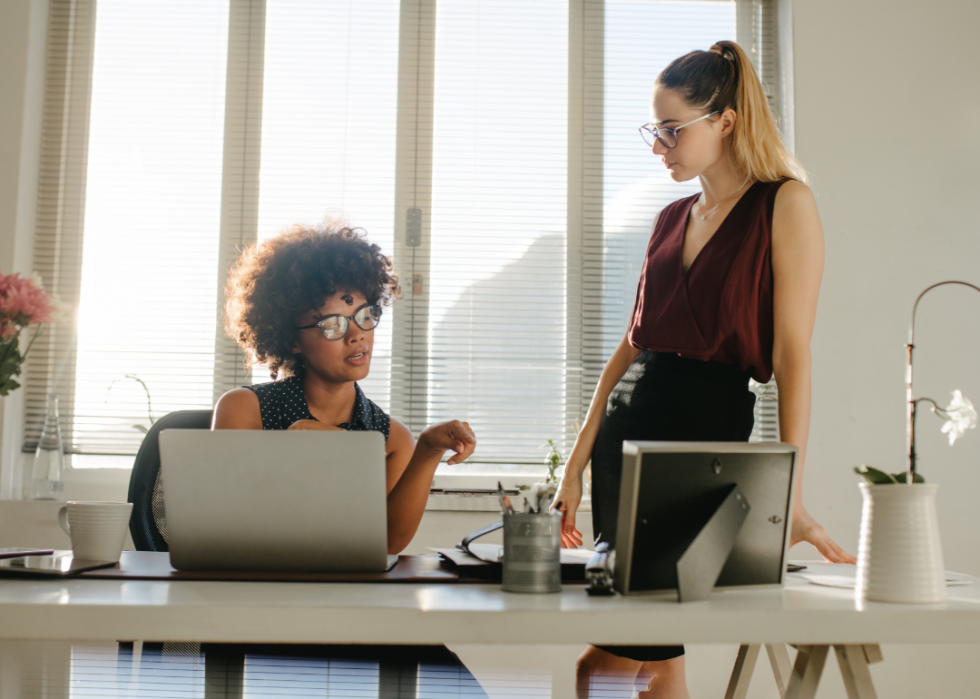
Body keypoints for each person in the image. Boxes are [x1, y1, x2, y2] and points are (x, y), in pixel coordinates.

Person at [551, 40, 856, 699]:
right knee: (658, 666)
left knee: (601, 667)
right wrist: (575, 465)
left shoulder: (785, 204)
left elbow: (793, 354)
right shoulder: (669, 218)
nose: (658, 145)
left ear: (725, 121)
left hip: (699, 441)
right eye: (653, 130)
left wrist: (789, 490)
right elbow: (628, 350)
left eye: (671, 130)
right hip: (624, 440)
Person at [212, 221, 477, 554]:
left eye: (364, 315)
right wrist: (287, 452)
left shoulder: (392, 438)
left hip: (349, 593)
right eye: (332, 324)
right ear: (292, 339)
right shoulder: (243, 409)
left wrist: (427, 450)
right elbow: (227, 521)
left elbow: (388, 543)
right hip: (256, 585)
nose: (357, 335)